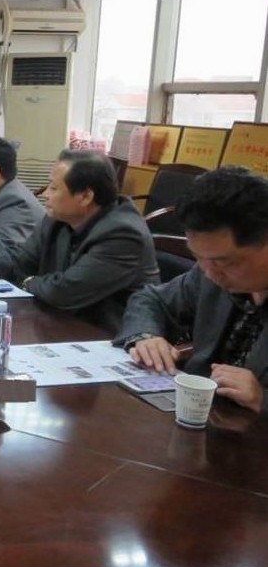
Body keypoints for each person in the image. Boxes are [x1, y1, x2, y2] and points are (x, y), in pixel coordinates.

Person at [0, 149, 159, 332]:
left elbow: (65, 292)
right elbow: (19, 260)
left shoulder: (122, 234)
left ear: (86, 196)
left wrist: (29, 281)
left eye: (54, 187)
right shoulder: (58, 219)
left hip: (104, 336)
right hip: (58, 321)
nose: (45, 194)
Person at [115, 167, 268, 416]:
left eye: (224, 263)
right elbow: (151, 299)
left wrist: (262, 398)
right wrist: (146, 336)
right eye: (197, 257)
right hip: (198, 415)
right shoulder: (209, 270)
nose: (210, 273)